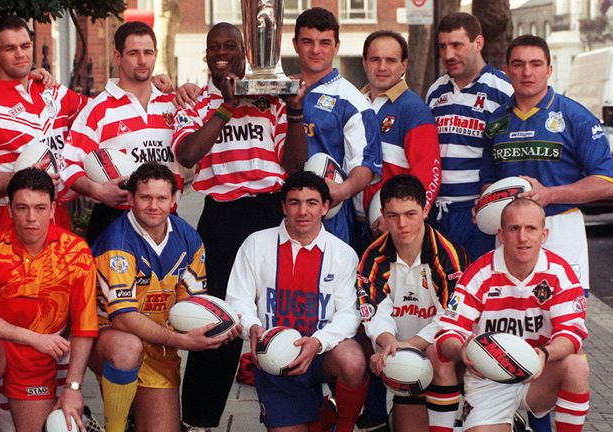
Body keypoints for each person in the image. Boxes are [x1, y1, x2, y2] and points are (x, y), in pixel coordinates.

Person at [174, 22, 308, 431]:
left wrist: (297, 109)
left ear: (246, 51)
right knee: (216, 316)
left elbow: (294, 164)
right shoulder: (195, 101)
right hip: (221, 215)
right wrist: (227, 107)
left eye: (230, 45)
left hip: (270, 213)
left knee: (278, 310)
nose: (221, 53)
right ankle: (198, 419)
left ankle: (289, 415)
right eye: (213, 46)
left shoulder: (272, 99)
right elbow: (188, 154)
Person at [89, 161, 238, 431]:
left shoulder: (188, 238)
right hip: (109, 341)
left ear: (173, 200)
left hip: (159, 347)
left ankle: (137, 417)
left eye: (161, 198)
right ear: (131, 199)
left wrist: (218, 327)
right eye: (145, 197)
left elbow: (190, 306)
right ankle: (115, 427)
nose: (153, 206)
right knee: (127, 348)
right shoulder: (117, 243)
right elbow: (123, 318)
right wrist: (182, 340)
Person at [225, 171, 369, 432]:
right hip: (275, 358)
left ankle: (343, 426)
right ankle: (320, 414)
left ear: (325, 207)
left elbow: (350, 314)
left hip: (321, 354)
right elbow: (237, 299)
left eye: (312, 203)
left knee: (353, 359)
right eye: (295, 202)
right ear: (283, 206)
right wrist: (252, 326)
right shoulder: (256, 244)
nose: (303, 211)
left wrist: (317, 342)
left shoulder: (343, 254)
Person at [0, 168, 98, 432]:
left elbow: (85, 326)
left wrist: (74, 388)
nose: (31, 218)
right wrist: (34, 338)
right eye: (22, 207)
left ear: (53, 209)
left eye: (40, 207)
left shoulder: (76, 252)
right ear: (10, 210)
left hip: (39, 361)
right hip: (4, 350)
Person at [436, 198, 589, 432]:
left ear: (544, 234)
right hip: (488, 380)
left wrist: (544, 354)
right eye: (514, 228)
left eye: (531, 228)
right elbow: (448, 332)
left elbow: (572, 334)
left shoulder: (560, 273)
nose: (523, 237)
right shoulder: (479, 273)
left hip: (539, 375)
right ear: (501, 234)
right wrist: (461, 350)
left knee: (576, 364)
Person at [481, 35, 613, 294]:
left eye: (536, 64)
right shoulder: (496, 120)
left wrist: (549, 194)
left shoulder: (575, 116)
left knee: (564, 319)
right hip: (510, 231)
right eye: (518, 64)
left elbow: (607, 183)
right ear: (507, 70)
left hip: (559, 226)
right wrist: (487, 204)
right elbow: (488, 179)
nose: (527, 72)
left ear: (549, 69)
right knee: (511, 312)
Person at [355, 174, 468, 432]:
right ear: (382, 214)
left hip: (442, 355)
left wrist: (405, 345)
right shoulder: (373, 257)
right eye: (393, 216)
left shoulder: (448, 255)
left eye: (410, 214)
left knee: (441, 352)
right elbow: (373, 313)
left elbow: (450, 319)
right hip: (402, 359)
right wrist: (388, 342)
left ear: (426, 210)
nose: (402, 224)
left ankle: (464, 412)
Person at [61, 21, 181, 245]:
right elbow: (68, 163)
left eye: (147, 53)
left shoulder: (172, 104)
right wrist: (97, 190)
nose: (142, 60)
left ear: (156, 54)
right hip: (115, 219)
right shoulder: (99, 108)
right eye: (133, 53)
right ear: (118, 56)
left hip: (167, 220)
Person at [0, 15, 86, 238]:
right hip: (9, 217)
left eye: (25, 46)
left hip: (56, 212)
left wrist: (152, 87)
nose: (20, 54)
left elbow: (99, 113)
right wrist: (22, 179)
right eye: (10, 48)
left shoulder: (52, 90)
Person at [425, 12, 513, 261]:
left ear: (478, 43)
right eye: (443, 46)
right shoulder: (435, 90)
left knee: (478, 287)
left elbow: (505, 156)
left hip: (476, 210)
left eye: (457, 45)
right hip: (438, 210)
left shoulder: (502, 90)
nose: (448, 54)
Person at [293, 7, 382, 251]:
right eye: (307, 41)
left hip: (331, 215)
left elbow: (366, 164)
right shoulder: (280, 91)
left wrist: (341, 191)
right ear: (295, 44)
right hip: (282, 209)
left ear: (336, 46)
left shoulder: (353, 101)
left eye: (324, 42)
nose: (315, 50)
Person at [359, 31, 441, 233]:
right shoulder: (353, 103)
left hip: (390, 227)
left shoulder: (414, 110)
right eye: (375, 59)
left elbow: (428, 175)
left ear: (404, 65)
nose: (382, 67)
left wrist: (399, 221)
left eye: (391, 60)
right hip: (351, 221)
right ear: (364, 63)